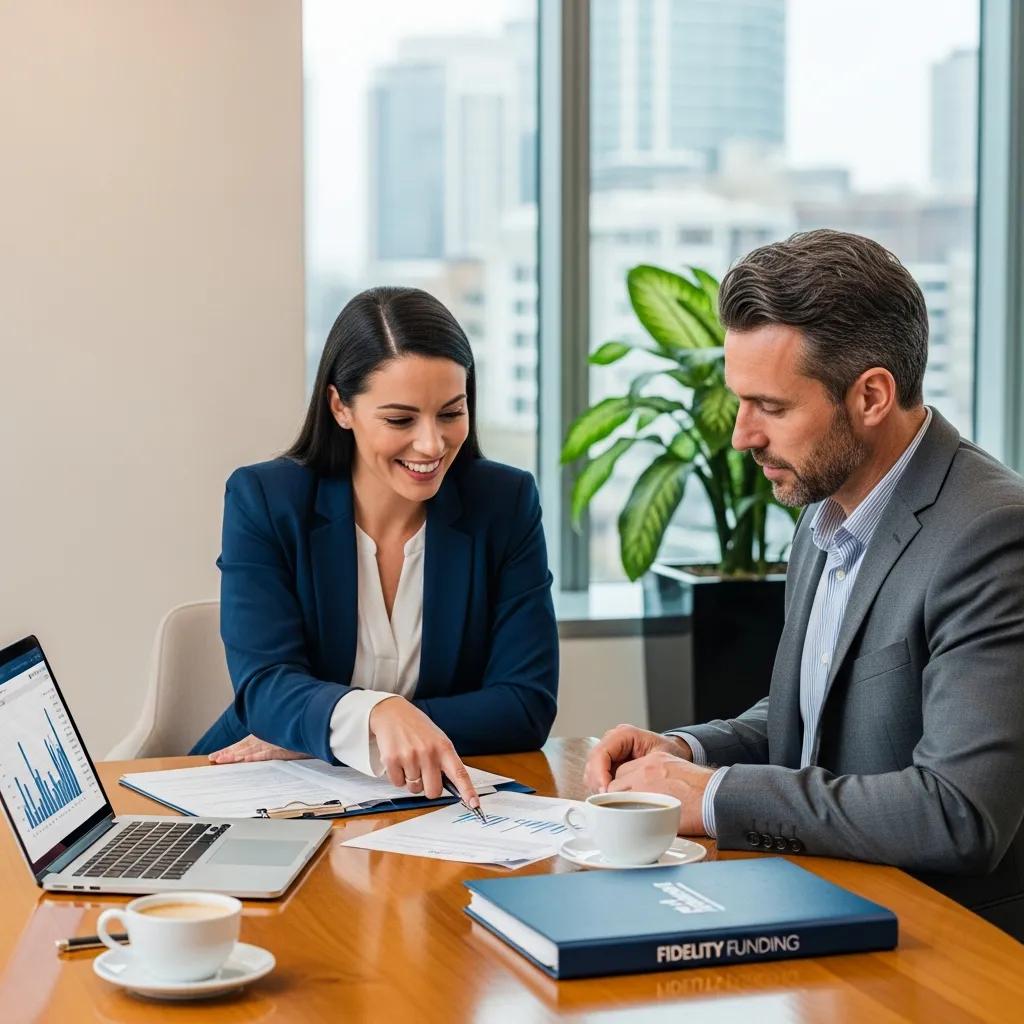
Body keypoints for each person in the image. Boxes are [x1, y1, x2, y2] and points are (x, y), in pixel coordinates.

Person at [584, 229, 1024, 940]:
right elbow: (814, 721)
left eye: (772, 407)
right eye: (740, 402)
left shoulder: (990, 534)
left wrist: (716, 797)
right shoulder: (825, 509)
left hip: (942, 944)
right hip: (821, 903)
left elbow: (958, 813)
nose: (741, 436)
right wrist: (686, 754)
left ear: (872, 395)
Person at [193, 286, 559, 809]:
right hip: (261, 789)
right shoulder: (266, 500)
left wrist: (343, 731)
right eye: (400, 420)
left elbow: (525, 707)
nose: (432, 444)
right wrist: (376, 716)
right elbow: (265, 689)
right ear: (341, 406)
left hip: (426, 805)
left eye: (451, 413)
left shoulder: (505, 503)